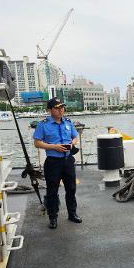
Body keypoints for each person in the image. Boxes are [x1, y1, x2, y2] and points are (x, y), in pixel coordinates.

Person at [33, 97, 81, 229]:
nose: (61, 110)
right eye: (57, 108)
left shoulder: (68, 122)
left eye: (62, 107)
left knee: (71, 188)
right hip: (53, 161)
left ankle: (72, 214)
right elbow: (37, 142)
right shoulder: (43, 124)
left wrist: (72, 144)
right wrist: (53, 147)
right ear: (50, 110)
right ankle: (53, 217)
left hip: (68, 160)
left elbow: (75, 136)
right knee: (52, 191)